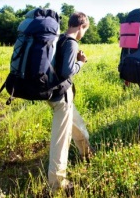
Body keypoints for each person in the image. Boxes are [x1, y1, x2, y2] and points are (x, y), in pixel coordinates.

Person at [47, 11, 92, 192]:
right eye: (85, 30)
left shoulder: (58, 38)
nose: (84, 34)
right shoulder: (72, 43)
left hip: (52, 94)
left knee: (78, 125)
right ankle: (57, 184)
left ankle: (87, 154)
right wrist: (81, 62)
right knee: (61, 141)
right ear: (81, 26)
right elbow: (67, 71)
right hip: (61, 97)